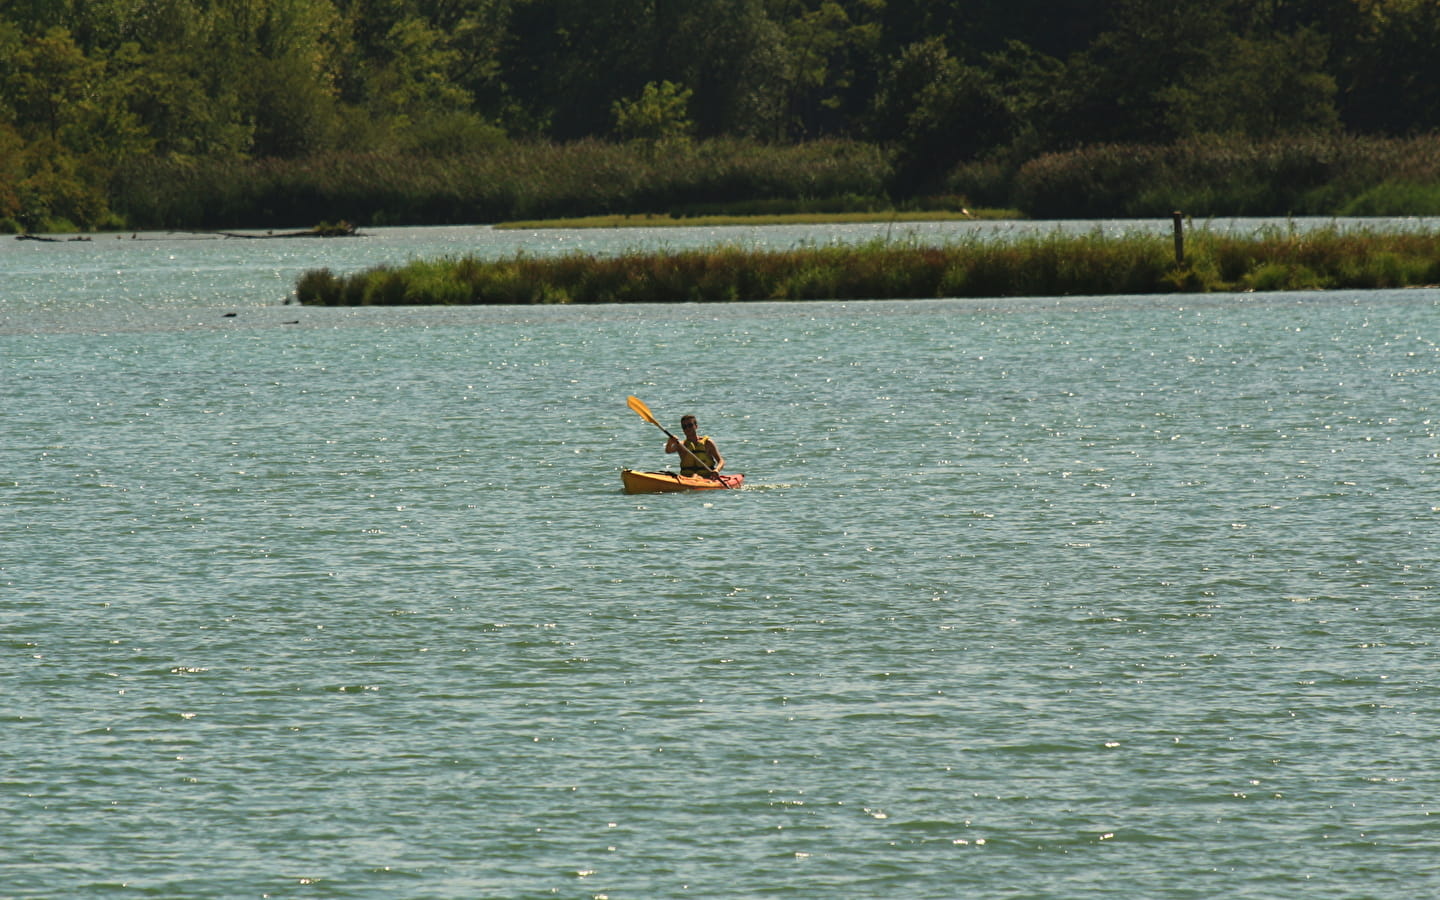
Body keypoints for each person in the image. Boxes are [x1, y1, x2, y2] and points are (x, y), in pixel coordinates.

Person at [665, 414, 724, 478]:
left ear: (696, 426)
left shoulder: (708, 443)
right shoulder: (681, 445)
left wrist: (717, 470)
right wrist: (670, 442)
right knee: (695, 476)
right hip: (686, 477)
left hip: (707, 477)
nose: (687, 428)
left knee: (695, 476)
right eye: (684, 427)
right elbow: (668, 450)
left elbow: (721, 461)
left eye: (690, 425)